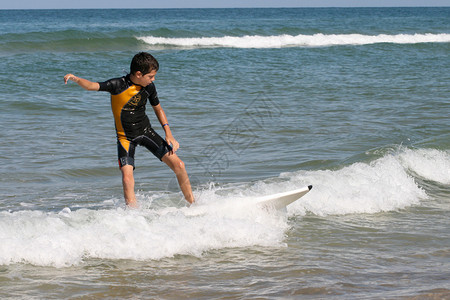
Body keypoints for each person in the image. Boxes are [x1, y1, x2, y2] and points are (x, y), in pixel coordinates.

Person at [64, 52, 194, 207]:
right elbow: (92, 86)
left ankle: (193, 204)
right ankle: (133, 216)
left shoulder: (149, 87)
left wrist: (169, 134)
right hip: (125, 138)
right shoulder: (117, 85)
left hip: (146, 132)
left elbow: (158, 109)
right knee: (127, 178)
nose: (153, 80)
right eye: (151, 76)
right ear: (139, 74)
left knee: (179, 165)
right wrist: (75, 78)